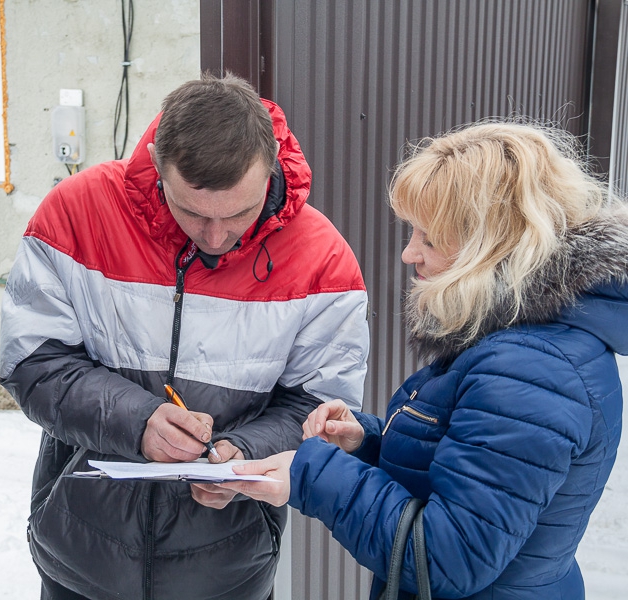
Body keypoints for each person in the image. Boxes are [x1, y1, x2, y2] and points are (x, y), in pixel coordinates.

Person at [0, 73, 370, 600]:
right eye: (192, 211)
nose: (215, 237)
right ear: (156, 161)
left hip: (229, 570)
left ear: (270, 169)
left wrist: (240, 452)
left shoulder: (323, 260)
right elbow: (32, 363)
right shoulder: (76, 213)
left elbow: (319, 409)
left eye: (239, 214)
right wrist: (137, 422)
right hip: (82, 559)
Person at [221, 121, 627, 599]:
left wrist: (310, 474)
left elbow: (444, 558)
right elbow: (471, 470)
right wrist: (369, 442)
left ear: (491, 246)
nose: (409, 252)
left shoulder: (532, 369)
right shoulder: (524, 334)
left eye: (430, 239)